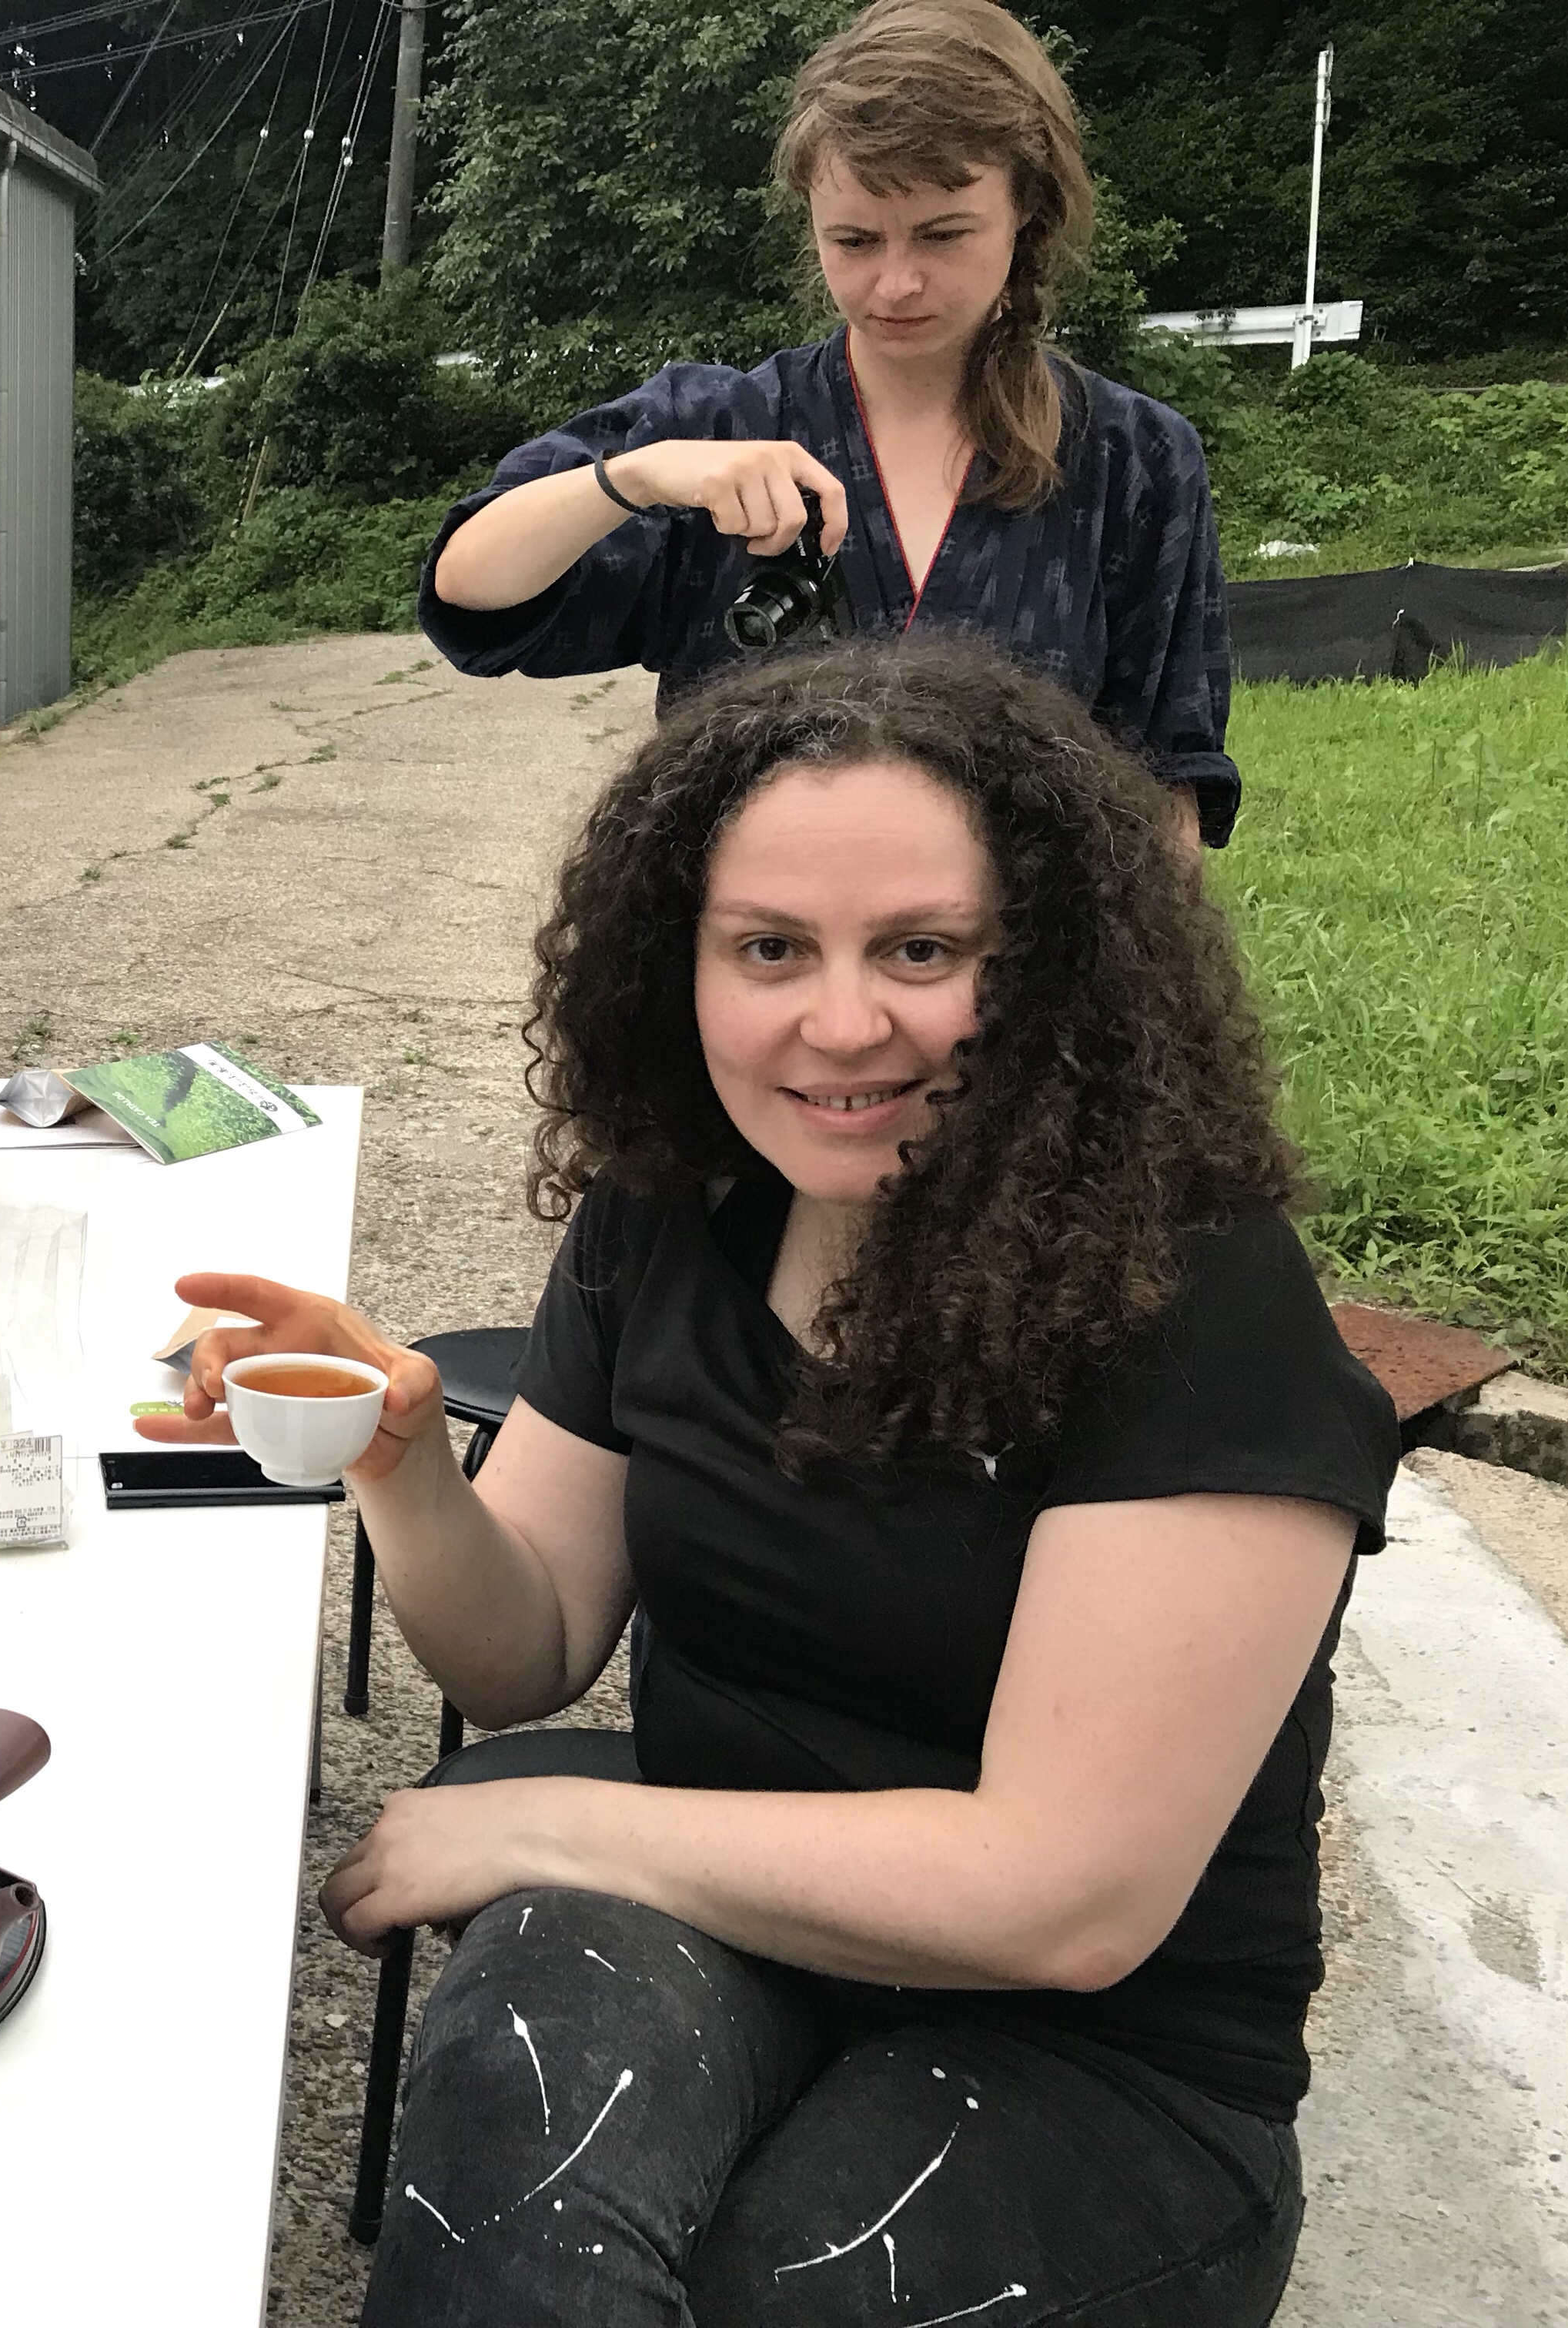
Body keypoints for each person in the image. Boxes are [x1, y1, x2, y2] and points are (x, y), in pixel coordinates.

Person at [147, 637, 1396, 2326]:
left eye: (923, 949)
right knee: (513, 2157)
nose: (842, 1022)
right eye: (770, 948)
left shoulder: (1191, 1297)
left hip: (1100, 2052)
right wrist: (403, 1456)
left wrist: (553, 1820)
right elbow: (526, 1648)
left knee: (781, 2287)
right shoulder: (674, 1204)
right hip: (729, 1905)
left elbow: (1068, 1897)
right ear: (680, 961)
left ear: (1050, 966)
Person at [424, 0, 1239, 847]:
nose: (896, 284)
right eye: (854, 241)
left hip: (1035, 936)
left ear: (1025, 209)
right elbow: (469, 588)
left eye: (942, 236)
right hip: (751, 930)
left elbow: (1169, 792)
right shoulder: (717, 425)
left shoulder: (1133, 459)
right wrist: (637, 475)